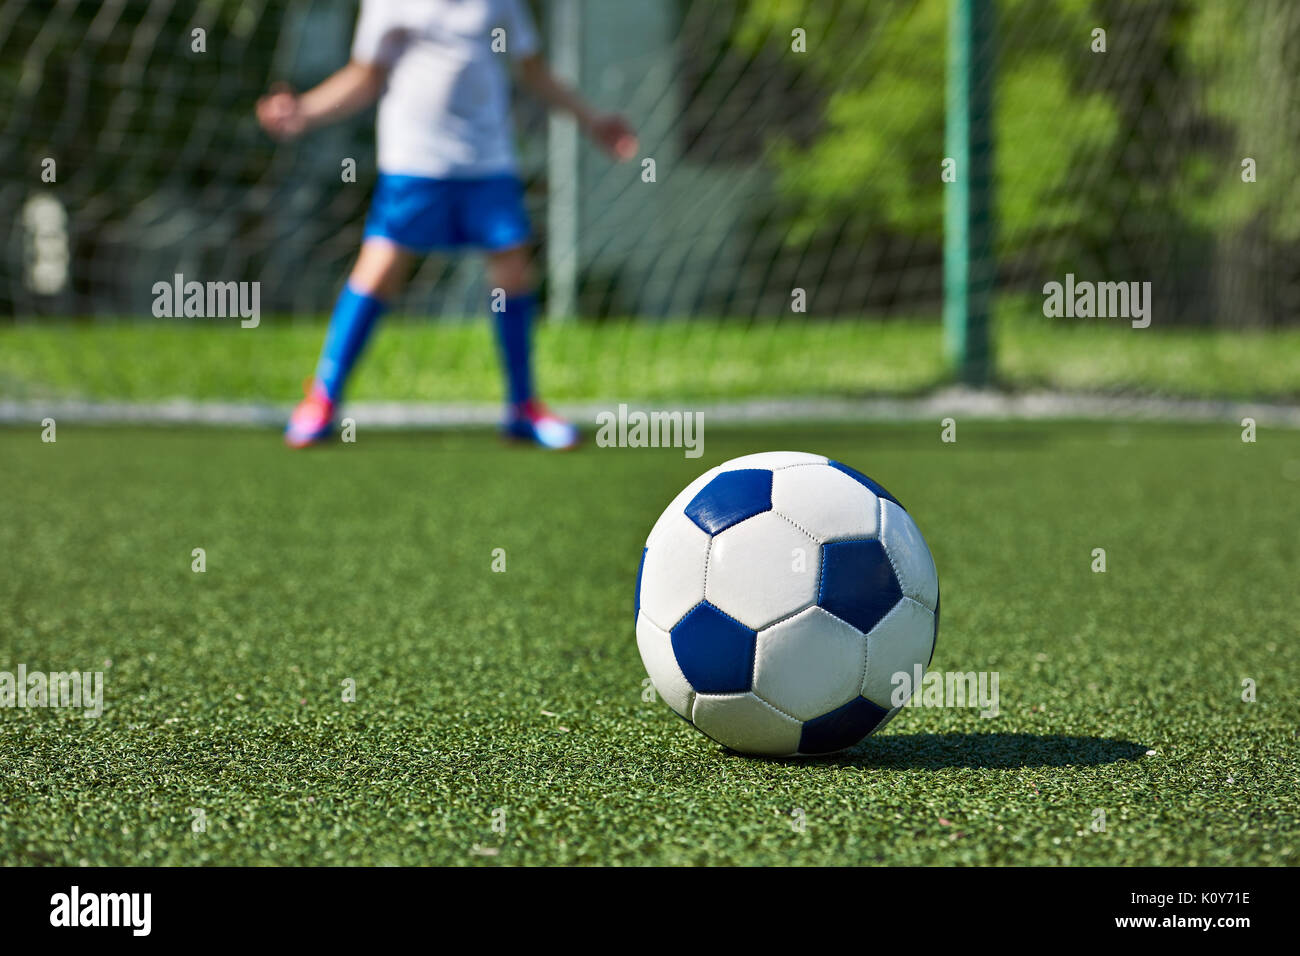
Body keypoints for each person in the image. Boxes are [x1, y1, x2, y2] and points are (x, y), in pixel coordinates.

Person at [256, 0, 638, 449]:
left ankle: (523, 407)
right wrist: (305, 110)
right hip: (415, 161)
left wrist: (592, 120)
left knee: (513, 274)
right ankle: (323, 399)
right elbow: (365, 76)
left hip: (487, 160)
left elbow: (532, 70)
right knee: (379, 270)